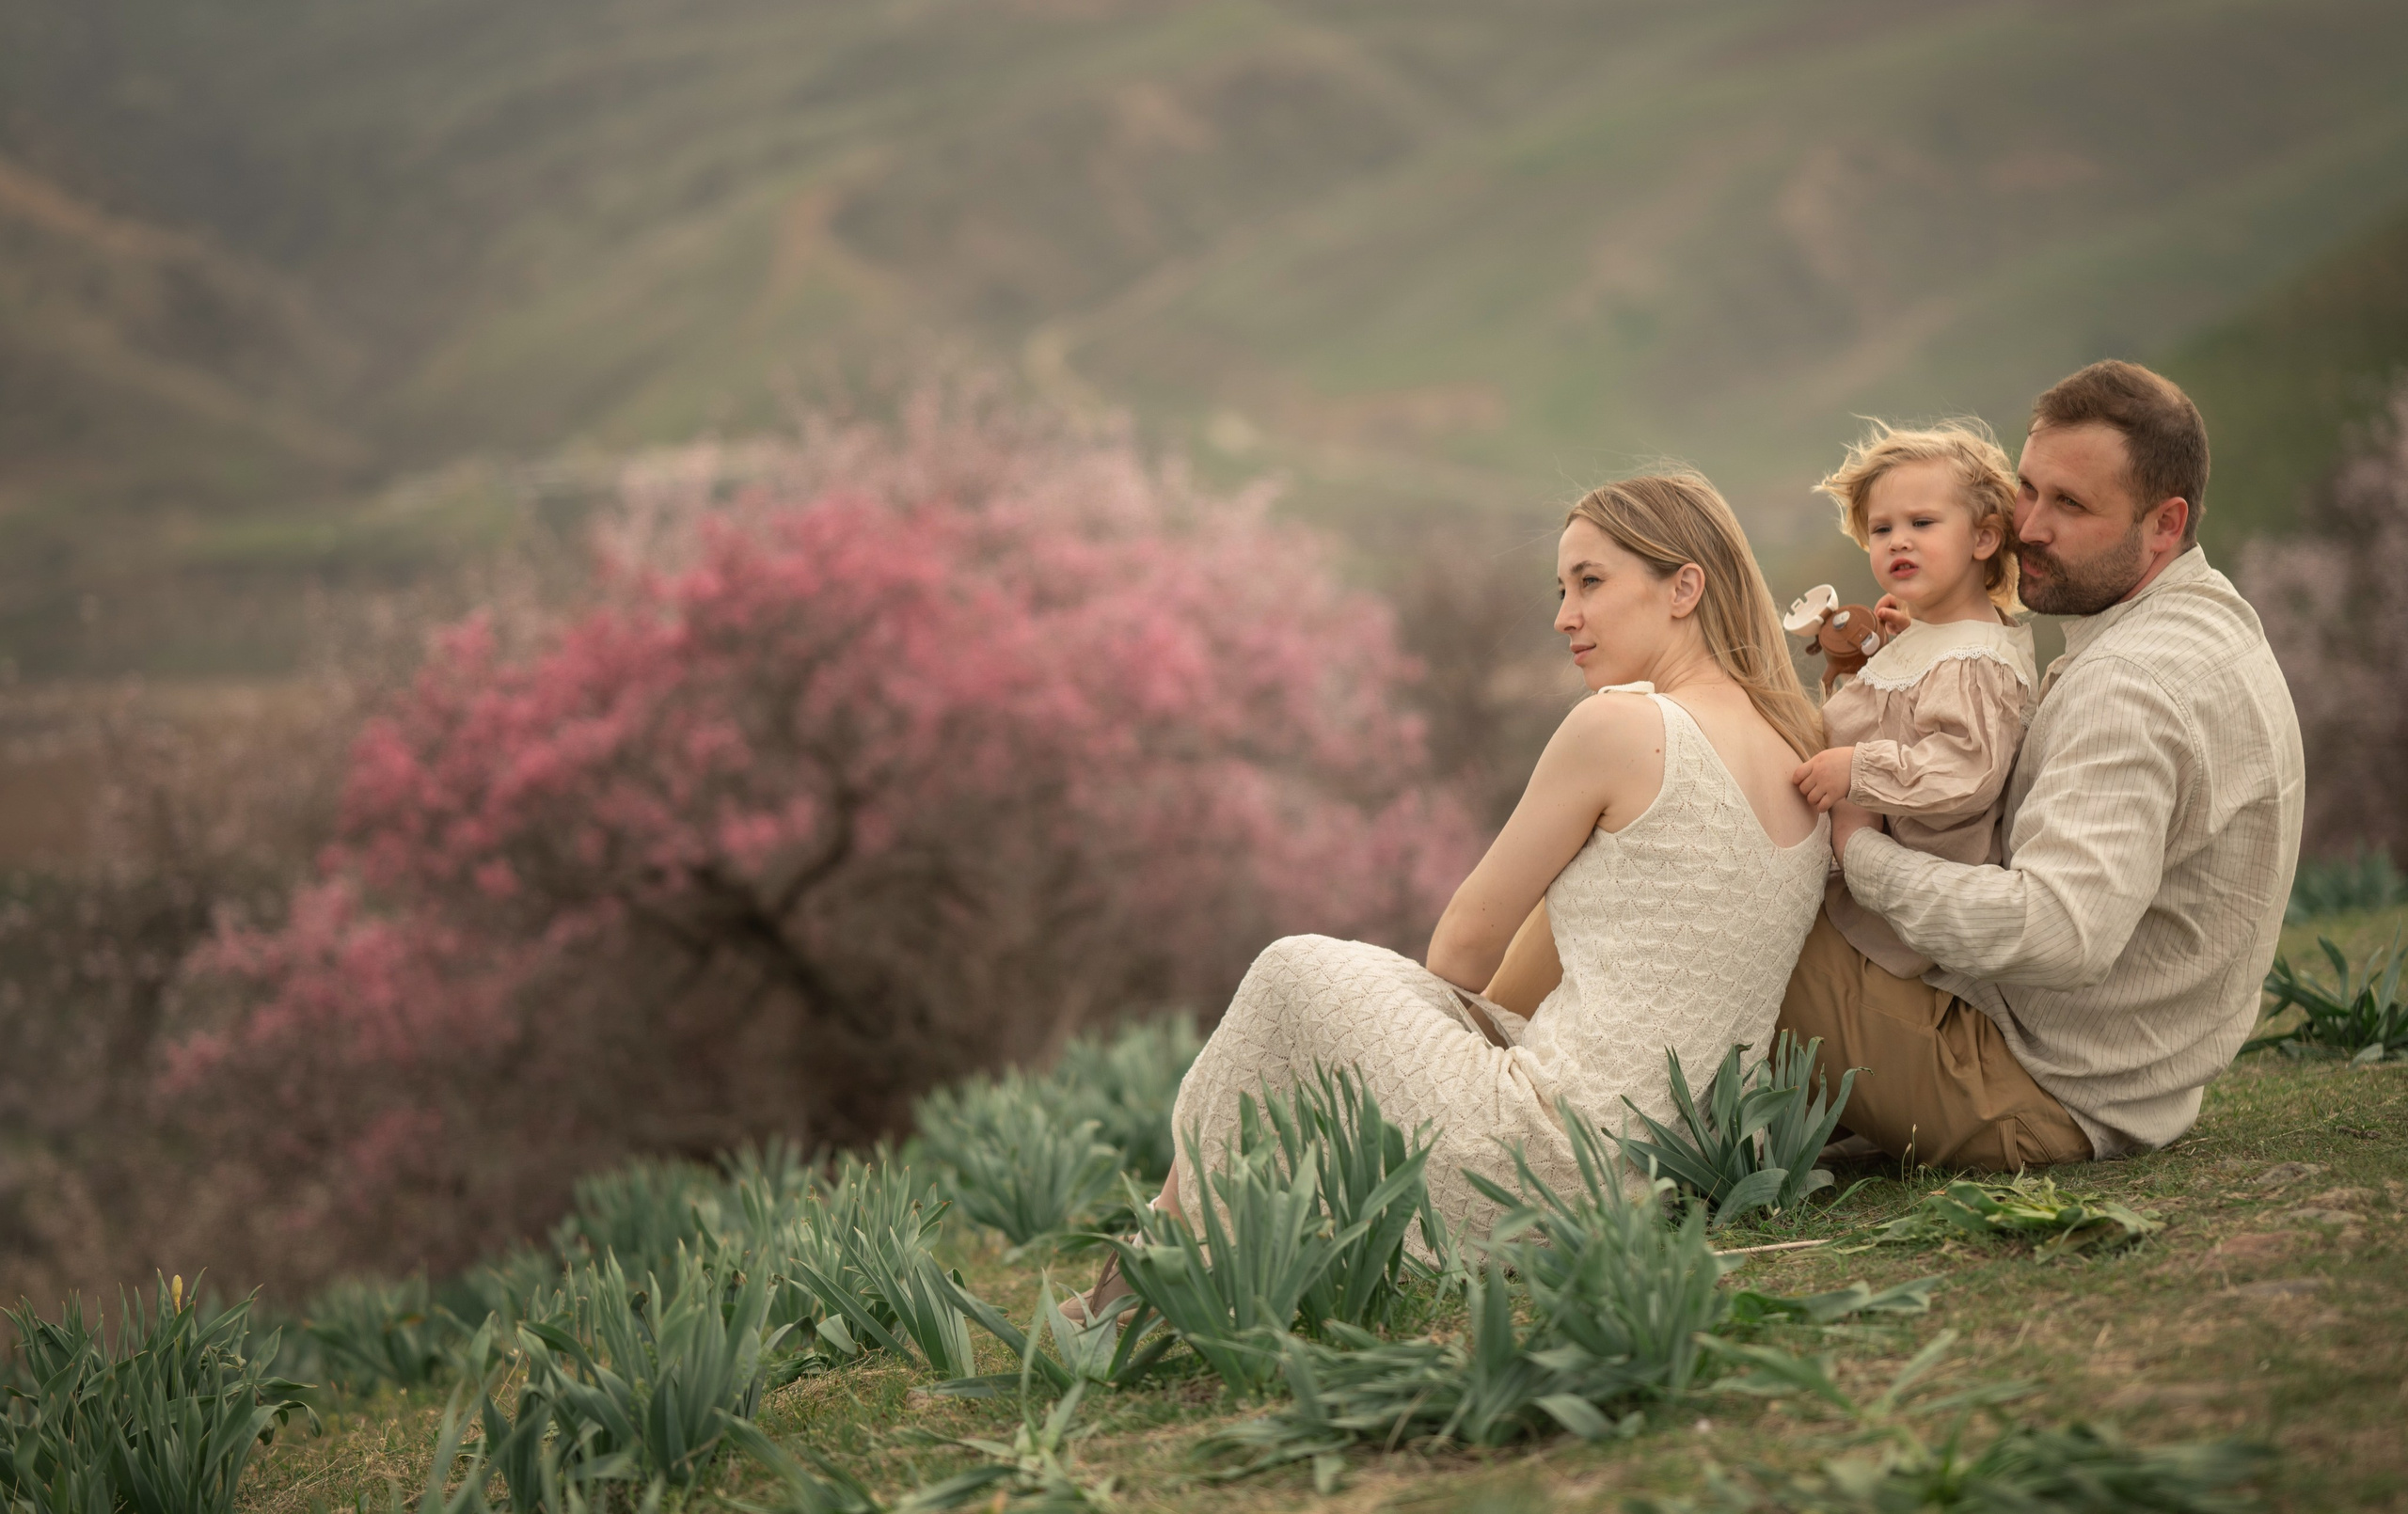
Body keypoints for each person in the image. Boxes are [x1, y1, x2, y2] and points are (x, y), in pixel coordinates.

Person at [1069, 472, 1830, 1321]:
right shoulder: (1798, 742)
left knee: (1292, 972)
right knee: (1340, 998)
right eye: (1561, 588)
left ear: (1683, 586)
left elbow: (1460, 956)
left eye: (1591, 582)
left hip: (1559, 1162)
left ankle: (1153, 1271)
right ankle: (1176, 1262)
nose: (1564, 616)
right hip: (1689, 1168)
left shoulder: (1622, 726)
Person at [1779, 360, 2305, 1171]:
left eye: (2071, 505)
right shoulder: (2204, 620)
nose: (2027, 526)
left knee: (1692, 885)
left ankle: (1542, 1114)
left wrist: (1858, 851)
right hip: (2114, 1076)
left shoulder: (2131, 686)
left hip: (2033, 1091)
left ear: (2165, 524)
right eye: (2028, 489)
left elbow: (2056, 932)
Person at [1790, 421, 2036, 981]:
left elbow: (1966, 768)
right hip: (1867, 847)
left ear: (1983, 539)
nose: (1898, 539)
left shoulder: (1975, 660)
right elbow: (1917, 711)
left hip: (1904, 897)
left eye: (1922, 523)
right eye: (1881, 529)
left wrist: (1859, 768)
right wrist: (1903, 645)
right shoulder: (1943, 637)